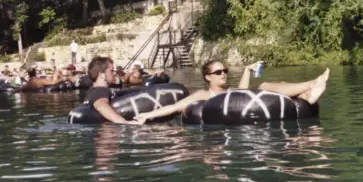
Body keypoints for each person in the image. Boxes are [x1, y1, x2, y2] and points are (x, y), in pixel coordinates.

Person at [135, 60, 330, 124]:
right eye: (218, 72)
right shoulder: (204, 96)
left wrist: (247, 70)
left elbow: (244, 95)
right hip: (227, 134)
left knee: (266, 84)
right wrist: (148, 115)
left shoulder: (232, 91)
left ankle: (308, 90)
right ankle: (311, 85)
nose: (223, 74)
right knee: (262, 87)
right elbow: (175, 107)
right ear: (208, 77)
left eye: (225, 71)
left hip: (254, 123)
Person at [84, 56, 138, 124]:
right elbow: (101, 106)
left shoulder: (92, 91)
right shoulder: (101, 90)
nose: (115, 73)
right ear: (102, 75)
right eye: (111, 71)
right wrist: (125, 122)